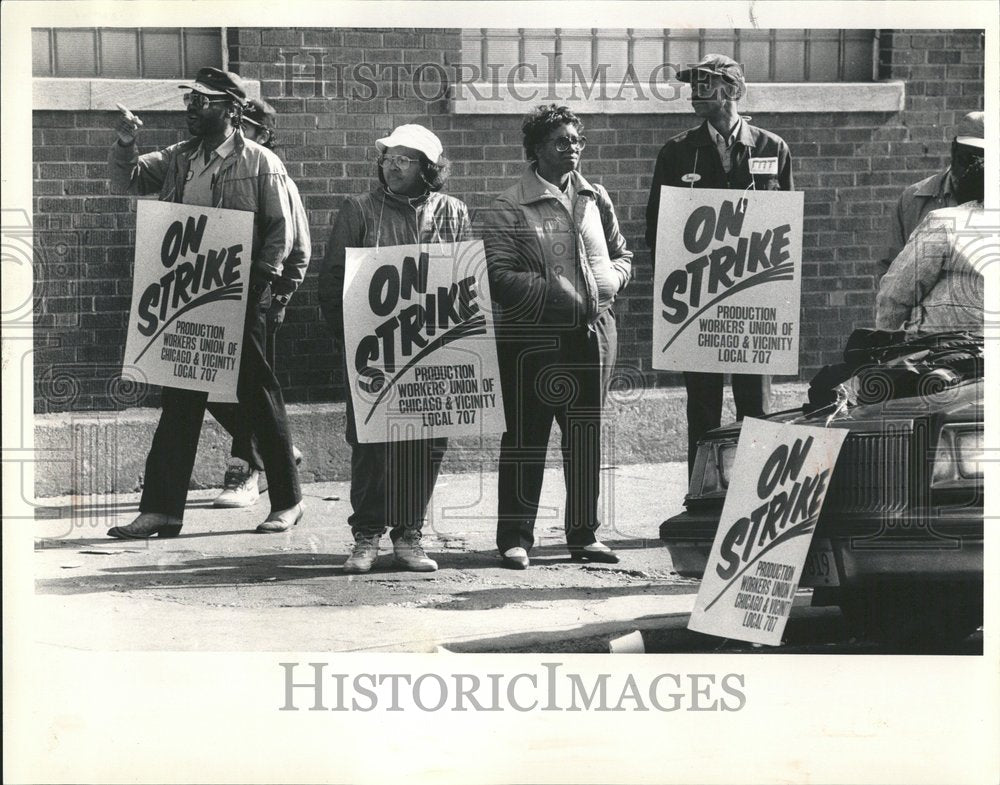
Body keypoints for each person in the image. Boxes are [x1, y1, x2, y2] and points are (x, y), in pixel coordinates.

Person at [106, 67, 303, 538]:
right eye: (190, 100)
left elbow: (281, 231)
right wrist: (127, 143)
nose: (192, 108)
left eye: (204, 101)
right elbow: (129, 180)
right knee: (179, 402)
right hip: (187, 292)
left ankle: (288, 501)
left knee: (257, 398)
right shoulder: (179, 158)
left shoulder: (259, 162)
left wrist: (262, 284)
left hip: (241, 291)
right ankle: (161, 510)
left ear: (232, 110)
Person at [482, 104, 633, 570]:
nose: (572, 150)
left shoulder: (594, 196)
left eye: (576, 141)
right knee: (526, 438)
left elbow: (622, 252)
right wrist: (555, 293)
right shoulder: (511, 205)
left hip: (592, 335)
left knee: (585, 438)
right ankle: (514, 536)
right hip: (533, 339)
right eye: (561, 142)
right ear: (536, 150)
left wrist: (614, 280)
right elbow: (497, 275)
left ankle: (584, 534)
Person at [318, 124, 471, 573]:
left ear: (429, 168)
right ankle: (366, 536)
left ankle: (409, 535)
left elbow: (465, 282)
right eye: (388, 157)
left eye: (405, 159)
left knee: (426, 442)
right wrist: (353, 340)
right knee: (371, 444)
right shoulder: (360, 209)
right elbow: (332, 282)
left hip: (432, 346)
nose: (393, 165)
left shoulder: (454, 212)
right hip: (376, 350)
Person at [644, 54, 793, 476]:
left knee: (757, 406)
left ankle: (755, 497)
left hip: (755, 300)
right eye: (693, 86)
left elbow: (785, 230)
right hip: (699, 300)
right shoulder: (677, 152)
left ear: (732, 90)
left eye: (704, 85)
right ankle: (702, 497)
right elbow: (658, 228)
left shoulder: (771, 148)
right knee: (704, 407)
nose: (694, 94)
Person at [213, 98, 308, 508]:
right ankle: (277, 449)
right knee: (212, 382)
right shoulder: (213, 167)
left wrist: (280, 296)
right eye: (238, 123)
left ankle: (246, 469)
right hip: (213, 292)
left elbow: (297, 244)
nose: (240, 132)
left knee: (252, 387)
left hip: (259, 294)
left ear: (264, 134)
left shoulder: (269, 169)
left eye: (249, 126)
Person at [876, 121, 985, 334]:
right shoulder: (915, 200)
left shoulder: (942, 222)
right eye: (967, 156)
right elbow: (893, 278)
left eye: (981, 158)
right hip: (931, 345)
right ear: (954, 151)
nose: (973, 165)